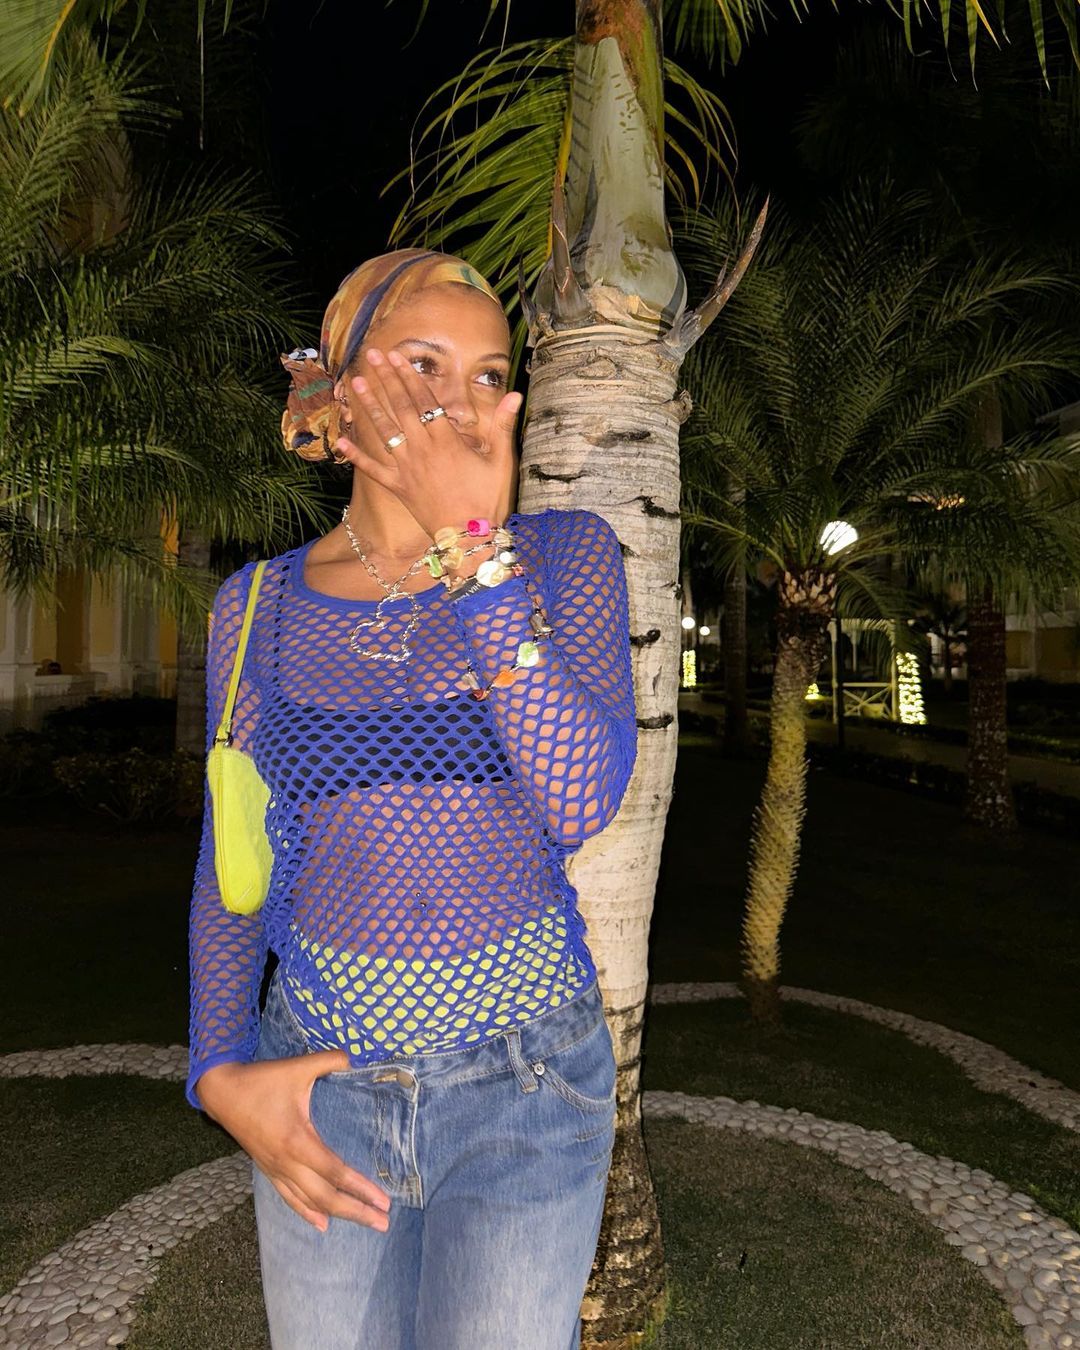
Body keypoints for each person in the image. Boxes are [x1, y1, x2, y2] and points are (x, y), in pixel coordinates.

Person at [187, 248, 638, 1350]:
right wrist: (217, 1073)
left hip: (525, 1085)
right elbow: (230, 861)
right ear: (341, 385)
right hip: (322, 1079)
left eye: (490, 376)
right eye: (423, 363)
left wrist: (474, 556)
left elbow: (578, 799)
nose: (462, 402)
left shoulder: (563, 559)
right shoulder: (255, 606)